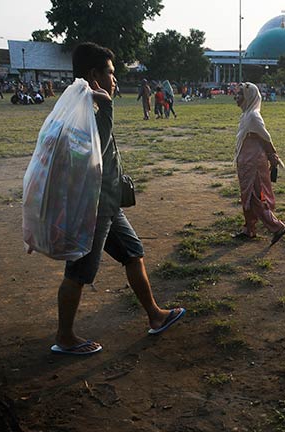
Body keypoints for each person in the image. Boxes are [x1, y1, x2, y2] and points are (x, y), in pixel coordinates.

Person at [51, 42, 184, 355]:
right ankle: (65, 337)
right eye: (110, 73)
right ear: (95, 74)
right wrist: (108, 105)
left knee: (133, 253)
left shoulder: (83, 106)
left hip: (108, 204)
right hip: (93, 208)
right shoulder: (85, 111)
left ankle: (155, 315)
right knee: (79, 272)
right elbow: (94, 142)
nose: (114, 79)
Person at [232, 82, 285, 245]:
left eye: (240, 95)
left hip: (254, 163)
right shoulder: (246, 114)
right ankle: (249, 229)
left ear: (249, 97)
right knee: (247, 196)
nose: (236, 98)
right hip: (246, 161)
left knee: (255, 197)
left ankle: (277, 227)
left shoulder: (253, 116)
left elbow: (266, 139)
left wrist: (273, 157)